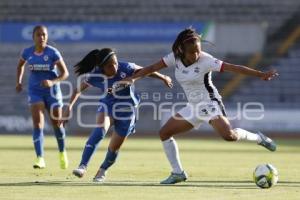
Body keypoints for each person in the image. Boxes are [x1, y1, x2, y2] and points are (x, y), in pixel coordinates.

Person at [123, 28, 279, 184]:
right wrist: (132, 79)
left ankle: (259, 138)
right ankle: (178, 173)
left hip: (210, 104)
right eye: (192, 52)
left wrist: (260, 74)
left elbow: (234, 68)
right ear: (182, 50)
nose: (196, 55)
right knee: (164, 133)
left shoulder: (207, 60)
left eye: (198, 51)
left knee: (229, 136)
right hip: (193, 107)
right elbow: (151, 68)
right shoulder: (174, 58)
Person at [62, 48, 172, 182]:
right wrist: (68, 108)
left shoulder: (126, 67)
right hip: (108, 106)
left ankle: (102, 170)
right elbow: (77, 90)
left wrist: (163, 77)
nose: (114, 67)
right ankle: (82, 166)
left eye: (115, 63)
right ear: (102, 68)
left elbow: (146, 71)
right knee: (100, 130)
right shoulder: (97, 76)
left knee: (113, 150)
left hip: (128, 111)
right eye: (109, 66)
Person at [16, 25, 69, 169]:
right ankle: (40, 158)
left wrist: (52, 81)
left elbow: (65, 73)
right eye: (39, 35)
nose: (42, 38)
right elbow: (20, 65)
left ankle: (62, 152)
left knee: (57, 124)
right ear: (33, 37)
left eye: (44, 35)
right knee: (38, 124)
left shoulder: (52, 52)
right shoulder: (27, 52)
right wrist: (19, 82)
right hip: (35, 92)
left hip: (52, 93)